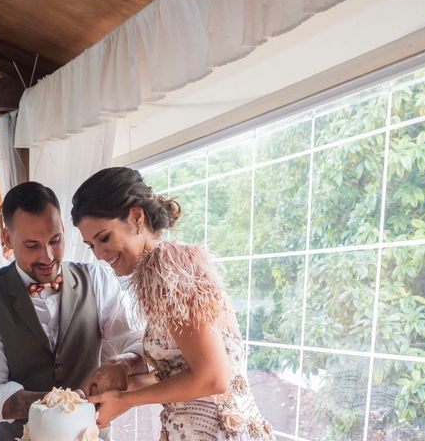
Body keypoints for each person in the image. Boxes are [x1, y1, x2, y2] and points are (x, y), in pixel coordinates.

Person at [71, 167, 275, 441]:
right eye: (91, 245)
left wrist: (126, 399)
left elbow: (213, 378)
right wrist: (120, 387)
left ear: (136, 217)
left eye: (104, 238)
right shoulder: (158, 274)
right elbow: (180, 374)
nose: (100, 255)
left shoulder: (169, 268)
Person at [0, 181, 146, 440]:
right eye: (32, 245)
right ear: (6, 238)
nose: (47, 257)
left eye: (55, 240)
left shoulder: (98, 278)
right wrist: (61, 406)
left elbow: (135, 342)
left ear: (64, 229)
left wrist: (122, 364)